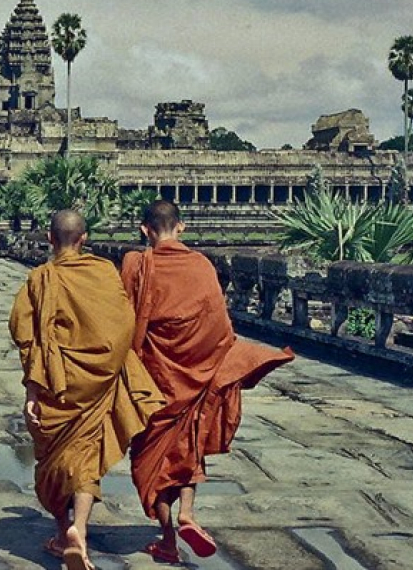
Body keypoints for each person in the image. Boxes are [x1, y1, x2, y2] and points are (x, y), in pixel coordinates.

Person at [120, 200, 294, 564]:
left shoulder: (136, 265)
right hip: (197, 377)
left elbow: (124, 322)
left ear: (144, 230)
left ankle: (168, 539)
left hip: (154, 382)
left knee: (151, 464)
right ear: (181, 227)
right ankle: (187, 513)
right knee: (188, 449)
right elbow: (219, 326)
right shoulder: (201, 265)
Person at [9, 209, 164, 570]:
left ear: (49, 239)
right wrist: (109, 368)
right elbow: (123, 325)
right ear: (84, 239)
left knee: (54, 461)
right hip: (96, 384)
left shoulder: (40, 279)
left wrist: (33, 389)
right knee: (86, 456)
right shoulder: (103, 272)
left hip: (55, 383)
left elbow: (25, 336)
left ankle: (64, 533)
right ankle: (79, 528)